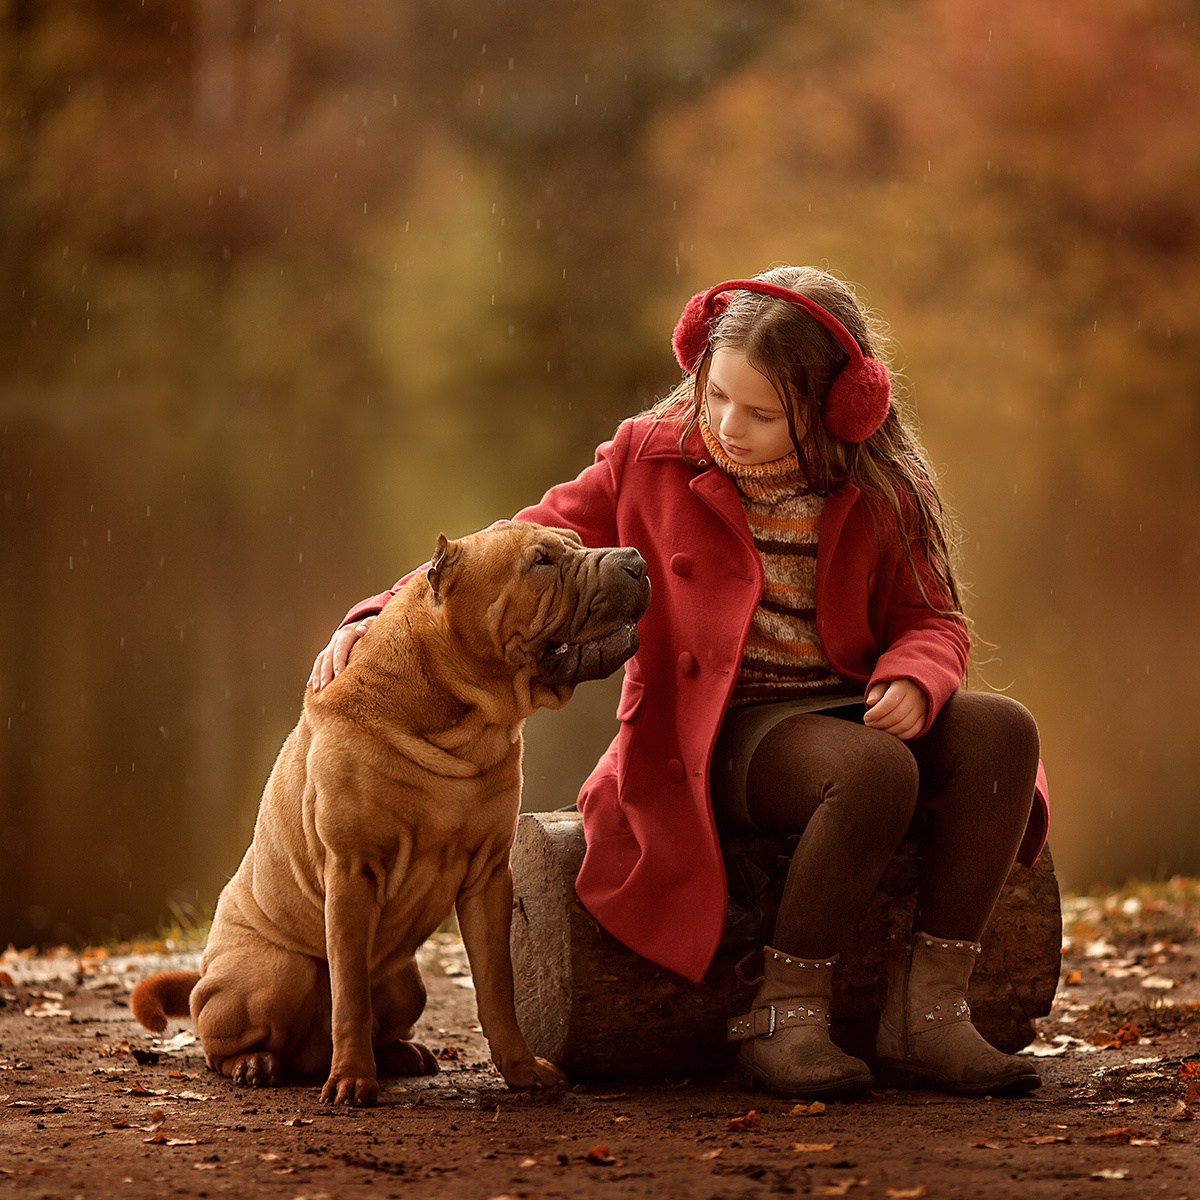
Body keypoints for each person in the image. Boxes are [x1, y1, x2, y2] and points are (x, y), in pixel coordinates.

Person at [310, 266, 1049, 1100]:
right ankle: (785, 1017)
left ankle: (931, 1013)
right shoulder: (650, 454)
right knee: (874, 770)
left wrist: (915, 673)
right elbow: (512, 545)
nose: (729, 425)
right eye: (718, 396)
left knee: (1004, 731)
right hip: (719, 731)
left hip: (844, 702)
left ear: (844, 409)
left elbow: (934, 618)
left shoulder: (883, 486)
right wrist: (374, 615)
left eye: (763, 413)